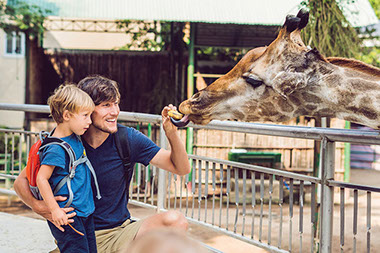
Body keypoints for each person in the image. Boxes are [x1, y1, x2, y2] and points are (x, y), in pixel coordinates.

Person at [14, 75, 191, 253]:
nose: (114, 111)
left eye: (116, 103)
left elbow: (181, 168)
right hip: (79, 234)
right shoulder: (66, 143)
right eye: (106, 105)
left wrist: (171, 133)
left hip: (119, 234)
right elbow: (21, 182)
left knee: (176, 221)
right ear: (87, 108)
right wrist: (42, 207)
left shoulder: (127, 139)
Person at [36, 84, 97, 252]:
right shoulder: (56, 148)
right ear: (67, 115)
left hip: (83, 211)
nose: (89, 121)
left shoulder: (74, 136)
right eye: (85, 115)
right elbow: (41, 178)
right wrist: (54, 210)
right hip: (68, 215)